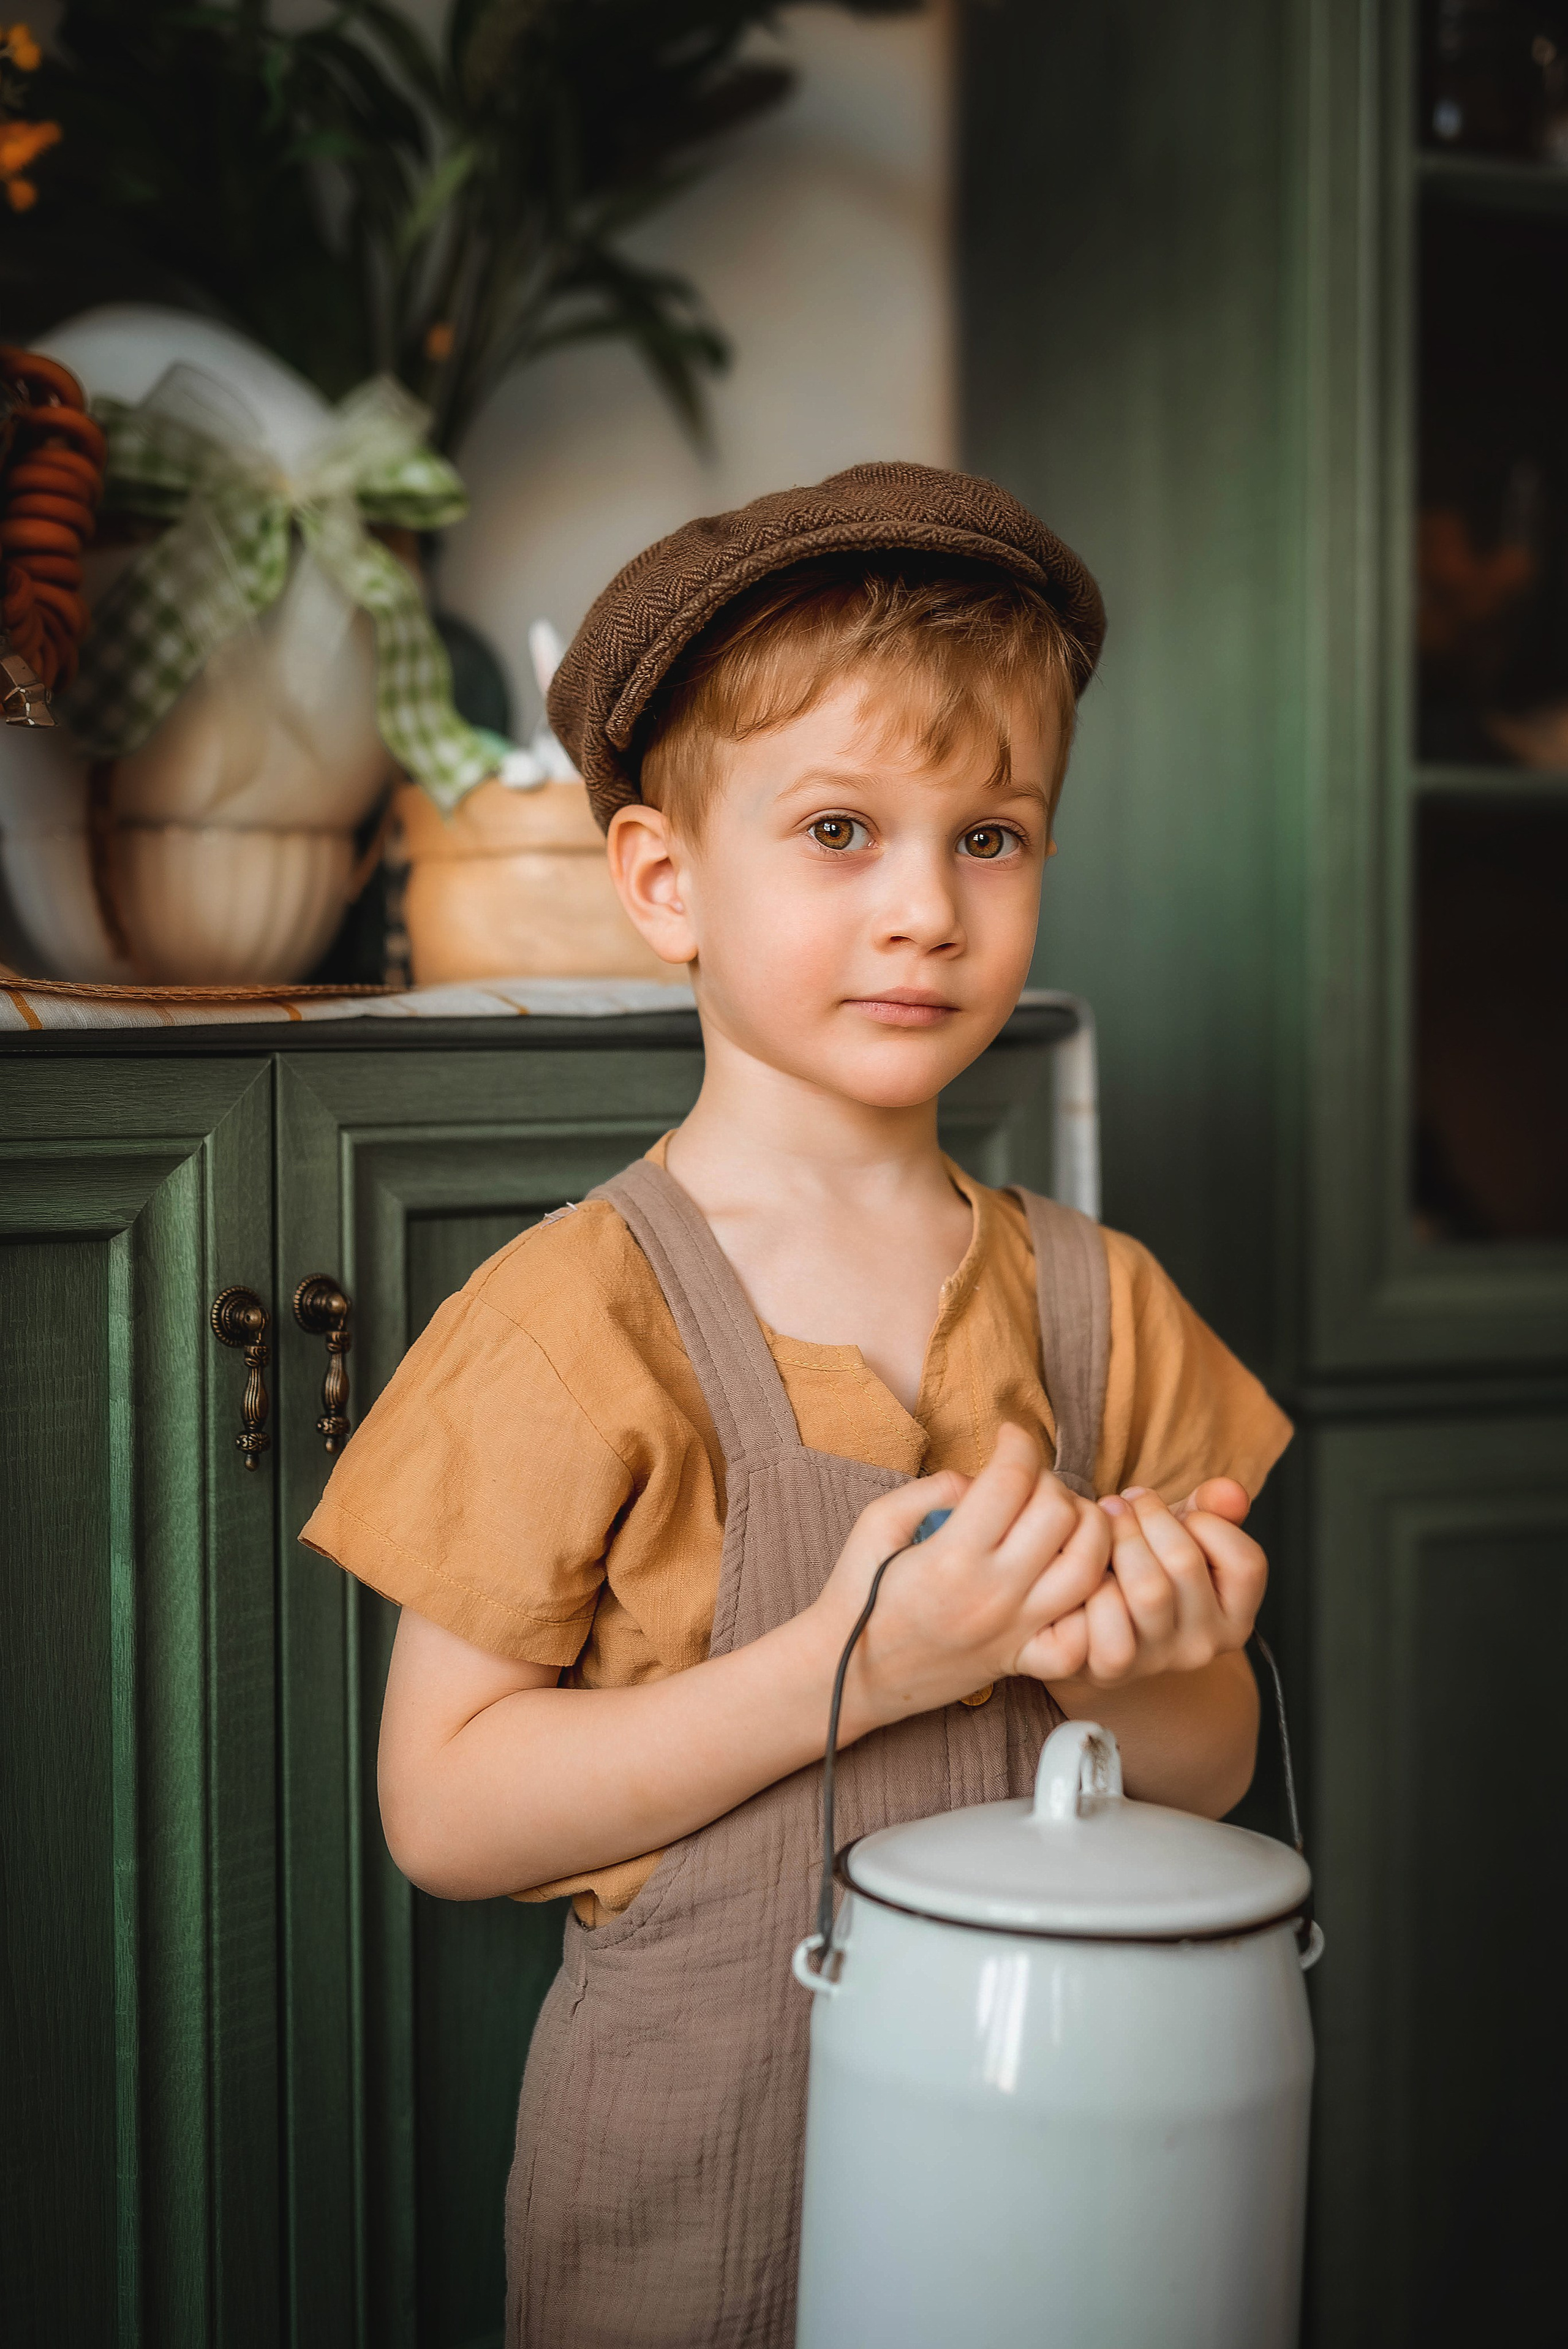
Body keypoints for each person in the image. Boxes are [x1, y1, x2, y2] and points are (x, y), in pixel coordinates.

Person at [301, 462, 1292, 2349]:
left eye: (989, 837)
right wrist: (858, 1660)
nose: (926, 906)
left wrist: (1142, 1660)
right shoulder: (569, 1314)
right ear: (664, 881)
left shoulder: (1112, 1309)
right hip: (684, 2208)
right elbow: (443, 1808)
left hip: (1065, 2192)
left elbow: (1208, 1767)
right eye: (841, 829)